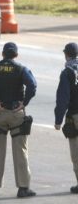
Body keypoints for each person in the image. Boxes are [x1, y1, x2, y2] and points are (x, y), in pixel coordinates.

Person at [0, 42, 37, 198]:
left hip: (0, 112)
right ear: (16, 55)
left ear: (2, 54)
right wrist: (25, 102)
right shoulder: (21, 68)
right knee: (21, 151)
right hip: (16, 113)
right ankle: (23, 188)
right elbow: (32, 85)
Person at [54, 42, 78, 194]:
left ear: (66, 54)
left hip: (75, 115)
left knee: (76, 153)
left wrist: (58, 120)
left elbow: (63, 98)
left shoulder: (67, 72)